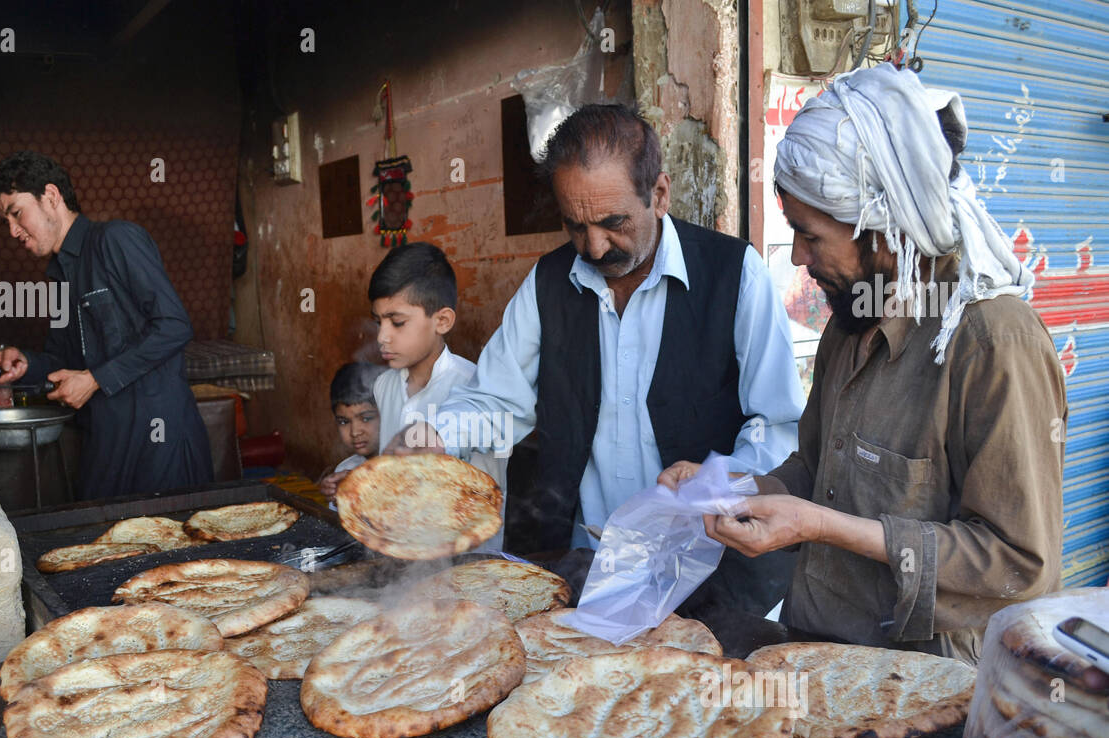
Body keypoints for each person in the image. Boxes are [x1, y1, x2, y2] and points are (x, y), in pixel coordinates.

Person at [691, 64, 1067, 663]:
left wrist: (817, 526)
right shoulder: (851, 319)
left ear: (884, 231)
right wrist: (723, 489)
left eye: (811, 236)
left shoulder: (992, 341)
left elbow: (1019, 564)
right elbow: (815, 470)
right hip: (811, 652)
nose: (800, 258)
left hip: (922, 688)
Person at [389, 105, 803, 613]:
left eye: (613, 223)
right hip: (590, 568)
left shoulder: (735, 275)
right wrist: (436, 434)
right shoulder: (548, 283)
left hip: (713, 568)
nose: (595, 245)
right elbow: (500, 403)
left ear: (659, 194)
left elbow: (778, 426)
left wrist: (724, 479)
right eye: (575, 226)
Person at [0, 151, 212, 500]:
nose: (13, 231)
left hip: (157, 439)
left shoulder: (116, 240)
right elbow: (61, 361)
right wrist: (26, 365)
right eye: (7, 222)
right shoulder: (59, 278)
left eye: (16, 213)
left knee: (168, 548)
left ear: (51, 196)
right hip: (106, 444)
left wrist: (94, 380)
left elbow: (174, 325)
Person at [368, 242, 509, 550]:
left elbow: (485, 499)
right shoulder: (384, 386)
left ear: (442, 321)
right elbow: (391, 473)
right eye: (378, 321)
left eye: (397, 322)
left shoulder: (476, 390)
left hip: (466, 562)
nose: (382, 336)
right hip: (397, 557)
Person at [320, 361, 386, 500]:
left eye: (366, 418)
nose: (355, 432)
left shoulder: (409, 465)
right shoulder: (344, 471)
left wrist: (360, 483)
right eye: (344, 422)